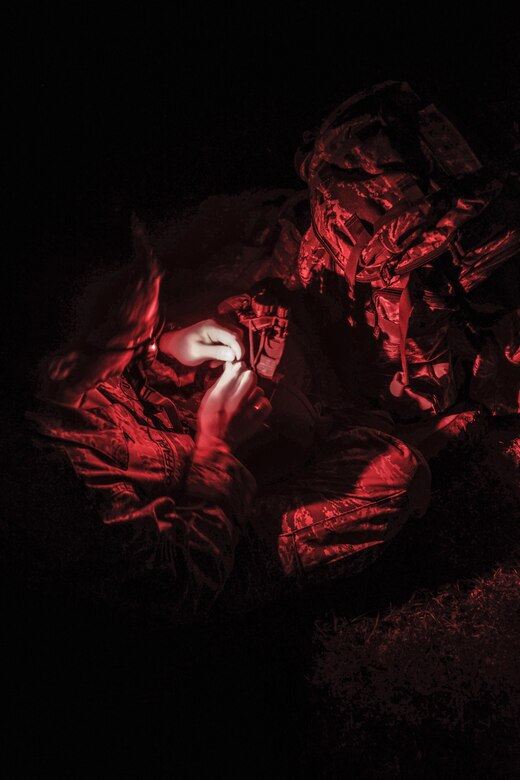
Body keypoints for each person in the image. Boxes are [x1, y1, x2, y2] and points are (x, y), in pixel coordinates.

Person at [26, 221, 431, 626]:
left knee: (255, 323)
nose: (150, 331)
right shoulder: (60, 486)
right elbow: (178, 586)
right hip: (209, 541)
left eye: (153, 317)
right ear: (68, 365)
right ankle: (375, 429)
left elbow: (113, 353)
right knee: (396, 473)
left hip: (166, 434)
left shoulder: (54, 361)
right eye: (137, 332)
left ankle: (338, 421)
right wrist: (216, 450)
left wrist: (164, 348)